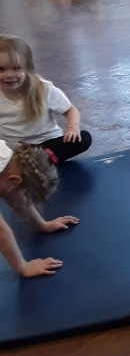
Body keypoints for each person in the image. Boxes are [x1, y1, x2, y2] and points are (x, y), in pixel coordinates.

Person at [0, 35, 92, 164]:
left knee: (83, 138)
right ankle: (34, 163)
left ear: (27, 67)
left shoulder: (43, 88)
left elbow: (70, 110)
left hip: (48, 143)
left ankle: (35, 161)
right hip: (14, 149)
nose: (9, 75)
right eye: (1, 69)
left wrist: (73, 127)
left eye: (16, 68)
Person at [0, 138, 78, 277]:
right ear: (14, 179)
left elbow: (13, 195)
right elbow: (1, 232)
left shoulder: (5, 159)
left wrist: (43, 225)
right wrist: (23, 268)